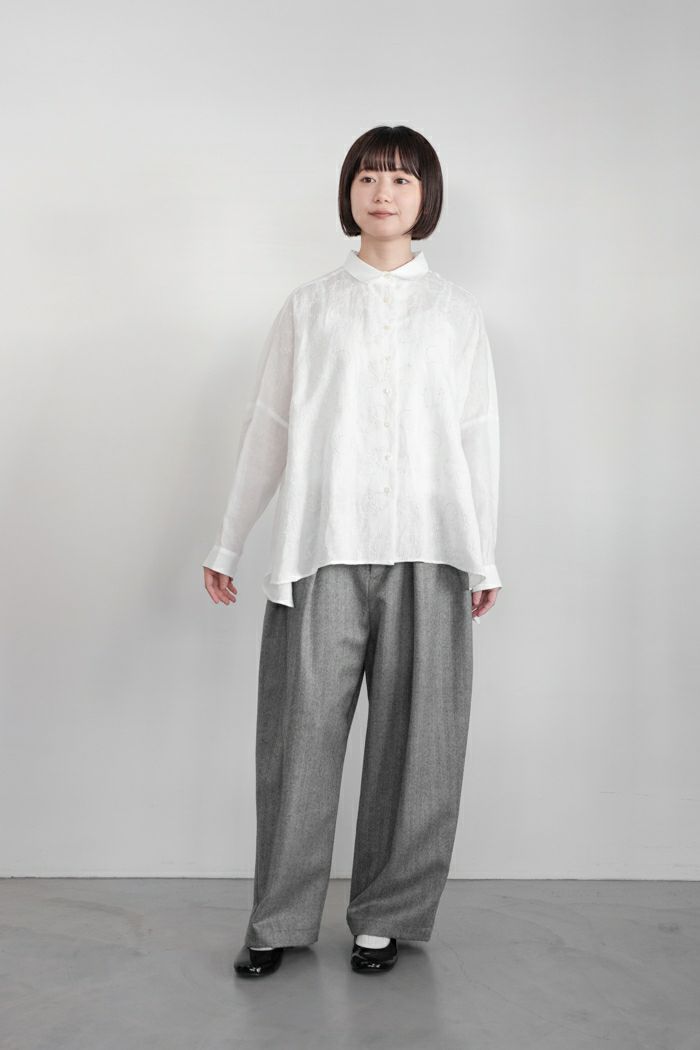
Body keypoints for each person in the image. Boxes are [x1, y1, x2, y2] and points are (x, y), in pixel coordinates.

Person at [202, 125, 502, 978]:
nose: (383, 193)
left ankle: (385, 916)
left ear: (425, 197)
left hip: (431, 551)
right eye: (369, 177)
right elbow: (269, 425)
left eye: (401, 179)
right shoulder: (310, 307)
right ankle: (278, 919)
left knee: (420, 744)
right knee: (298, 739)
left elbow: (477, 438)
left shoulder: (457, 314)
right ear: (349, 192)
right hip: (321, 546)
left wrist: (485, 555)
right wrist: (230, 538)